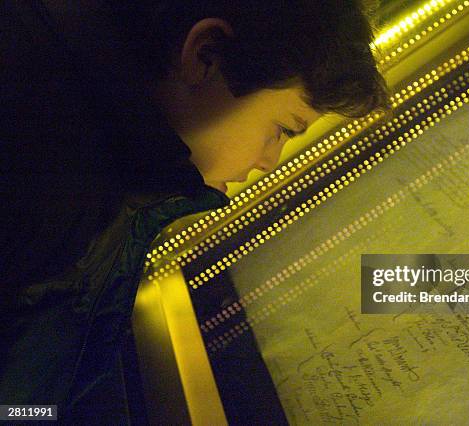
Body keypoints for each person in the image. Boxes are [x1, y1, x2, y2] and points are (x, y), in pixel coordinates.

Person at [0, 0, 388, 422]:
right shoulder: (49, 174)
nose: (269, 160)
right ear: (204, 55)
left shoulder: (92, 139)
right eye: (283, 129)